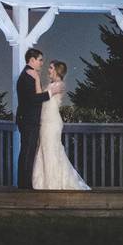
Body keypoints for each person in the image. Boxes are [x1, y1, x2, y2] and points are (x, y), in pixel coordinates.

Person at [32, 60, 91, 190]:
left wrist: (36, 77)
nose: (49, 70)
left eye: (51, 68)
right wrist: (37, 79)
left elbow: (43, 96)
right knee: (44, 149)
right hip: (45, 121)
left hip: (52, 122)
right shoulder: (51, 84)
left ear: (57, 70)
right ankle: (44, 182)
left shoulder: (59, 85)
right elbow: (39, 96)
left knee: (52, 150)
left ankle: (53, 183)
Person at [15, 48, 62, 189]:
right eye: (40, 60)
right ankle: (25, 186)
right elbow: (33, 99)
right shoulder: (27, 75)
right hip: (29, 120)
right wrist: (50, 93)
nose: (42, 63)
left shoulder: (30, 74)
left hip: (29, 119)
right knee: (27, 152)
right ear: (32, 60)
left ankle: (24, 184)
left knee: (27, 151)